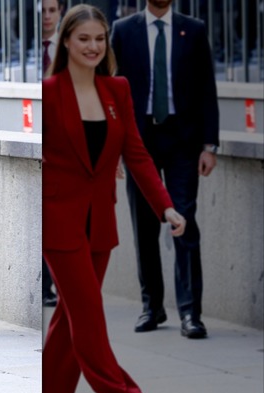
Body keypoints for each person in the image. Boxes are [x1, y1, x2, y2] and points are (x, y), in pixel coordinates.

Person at [41, 5, 186, 393]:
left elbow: (136, 153)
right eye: (84, 38)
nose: (93, 47)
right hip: (59, 223)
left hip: (100, 223)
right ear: (67, 41)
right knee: (88, 318)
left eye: (99, 39)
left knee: (71, 317)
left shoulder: (116, 89)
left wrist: (165, 207)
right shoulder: (49, 91)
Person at [111, 0, 219, 339]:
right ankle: (152, 306)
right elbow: (110, 90)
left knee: (184, 220)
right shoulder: (123, 31)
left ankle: (190, 312)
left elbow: (207, 87)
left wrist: (209, 145)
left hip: (183, 141)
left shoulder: (194, 30)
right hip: (137, 139)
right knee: (144, 225)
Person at [41, 0, 64, 308]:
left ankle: (57, 285)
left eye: (52, 10)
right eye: (42, 10)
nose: (47, 16)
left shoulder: (70, 49)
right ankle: (46, 286)